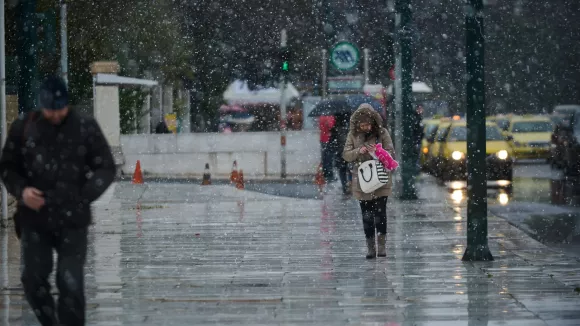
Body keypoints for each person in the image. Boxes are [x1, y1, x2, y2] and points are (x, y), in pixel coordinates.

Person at [0, 75, 116, 326]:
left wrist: (83, 196)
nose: (55, 115)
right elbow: (8, 168)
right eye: (50, 110)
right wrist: (22, 191)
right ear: (42, 106)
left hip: (72, 219)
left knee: (70, 283)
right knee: (32, 280)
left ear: (67, 104)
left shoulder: (85, 126)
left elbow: (106, 167)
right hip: (35, 218)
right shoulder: (24, 126)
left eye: (60, 109)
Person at [343, 104, 395, 259]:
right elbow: (346, 154)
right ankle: (370, 248)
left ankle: (382, 246)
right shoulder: (352, 135)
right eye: (362, 124)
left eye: (368, 124)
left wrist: (377, 152)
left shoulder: (382, 133)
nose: (365, 127)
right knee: (366, 216)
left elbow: (391, 152)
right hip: (362, 181)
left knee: (380, 214)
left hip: (380, 179)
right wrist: (359, 151)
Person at [329, 113, 351, 195]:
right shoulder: (350, 127)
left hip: (339, 152)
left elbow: (331, 143)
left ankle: (345, 187)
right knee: (350, 169)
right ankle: (350, 185)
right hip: (349, 152)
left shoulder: (335, 128)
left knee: (342, 170)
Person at [319, 115, 336, 182]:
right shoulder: (330, 117)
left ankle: (325, 174)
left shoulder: (321, 116)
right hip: (328, 139)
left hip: (323, 139)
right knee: (329, 158)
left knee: (324, 157)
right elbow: (331, 126)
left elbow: (321, 127)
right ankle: (329, 175)